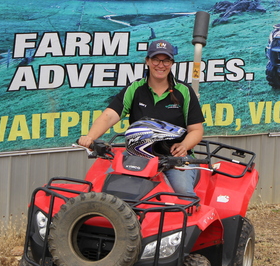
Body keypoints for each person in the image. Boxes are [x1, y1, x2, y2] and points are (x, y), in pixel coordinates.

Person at [78, 39, 205, 196]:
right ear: (147, 61)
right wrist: (90, 137)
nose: (161, 65)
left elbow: (196, 130)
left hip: (174, 157)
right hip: (136, 154)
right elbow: (109, 116)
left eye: (166, 60)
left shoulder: (184, 91)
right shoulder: (135, 89)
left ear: (172, 63)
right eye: (156, 59)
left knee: (182, 191)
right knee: (106, 187)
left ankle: (191, 211)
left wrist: (184, 146)